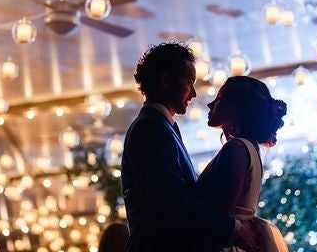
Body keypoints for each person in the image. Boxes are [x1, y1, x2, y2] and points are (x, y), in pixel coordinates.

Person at [121, 42, 257, 252]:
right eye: (188, 82)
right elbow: (173, 200)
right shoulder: (150, 127)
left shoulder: (160, 126)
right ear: (166, 81)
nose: (193, 94)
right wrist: (233, 228)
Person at [194, 75, 287, 251]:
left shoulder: (236, 148)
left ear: (239, 108)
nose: (210, 105)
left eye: (219, 99)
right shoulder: (250, 148)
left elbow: (220, 214)